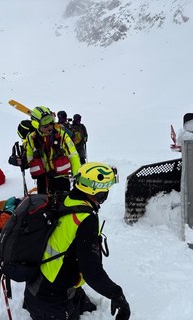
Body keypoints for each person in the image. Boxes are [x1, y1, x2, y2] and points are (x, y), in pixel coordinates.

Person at [23, 162, 131, 320]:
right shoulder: (85, 219)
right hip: (50, 301)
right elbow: (92, 272)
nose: (107, 192)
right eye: (105, 188)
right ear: (97, 191)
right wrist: (118, 296)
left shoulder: (67, 199)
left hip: (39, 287)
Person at [26, 106, 81, 195]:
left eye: (51, 123)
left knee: (62, 205)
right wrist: (20, 161)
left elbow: (73, 155)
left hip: (61, 179)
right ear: (36, 124)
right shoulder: (31, 138)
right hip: (43, 181)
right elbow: (28, 158)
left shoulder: (62, 136)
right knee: (44, 205)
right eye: (45, 125)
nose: (50, 127)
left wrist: (77, 177)